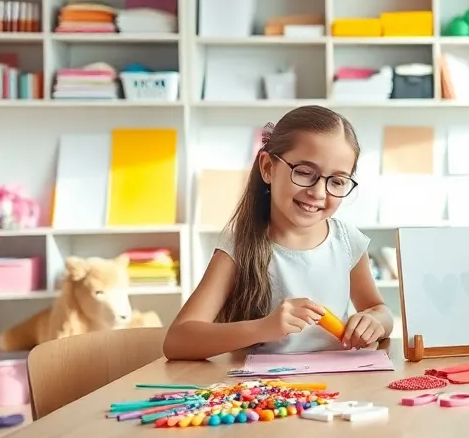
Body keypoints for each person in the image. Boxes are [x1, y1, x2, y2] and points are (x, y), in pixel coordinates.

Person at [163, 105, 394, 360]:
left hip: (337, 388)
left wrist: (375, 321)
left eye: (337, 181)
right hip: (265, 393)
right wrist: (263, 328)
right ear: (268, 167)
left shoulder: (347, 241)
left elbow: (378, 309)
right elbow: (177, 340)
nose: (318, 193)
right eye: (305, 173)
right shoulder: (239, 245)